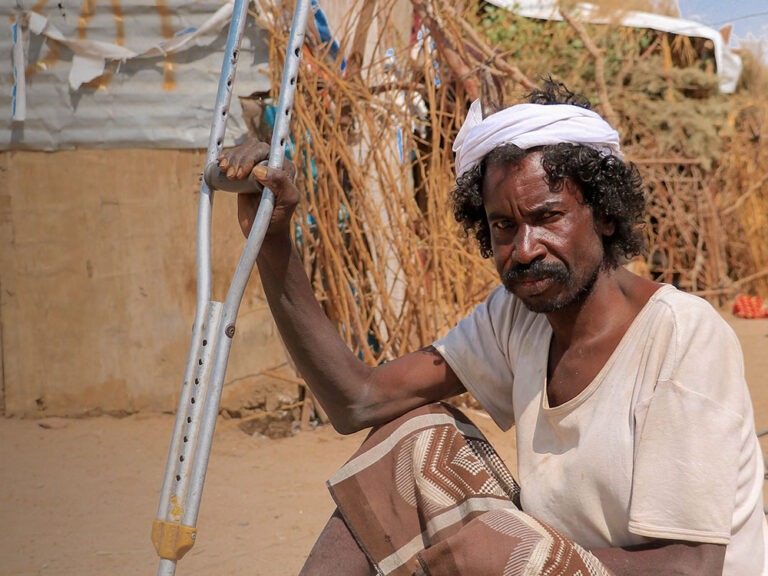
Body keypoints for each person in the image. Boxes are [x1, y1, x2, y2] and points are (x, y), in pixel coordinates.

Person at [218, 79, 767, 575]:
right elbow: (358, 402)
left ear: (604, 212)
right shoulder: (518, 316)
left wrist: (506, 558)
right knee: (408, 442)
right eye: (504, 226)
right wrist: (273, 243)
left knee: (490, 549)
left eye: (548, 217)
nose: (524, 250)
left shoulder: (681, 337)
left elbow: (692, 568)